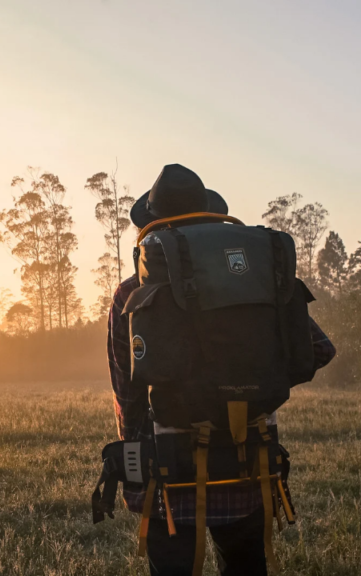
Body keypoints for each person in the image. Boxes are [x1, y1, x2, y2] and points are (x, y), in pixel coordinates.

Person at [108, 164, 336, 576]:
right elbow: (319, 350)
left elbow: (127, 393)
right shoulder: (260, 281)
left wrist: (135, 468)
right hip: (249, 461)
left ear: (155, 225)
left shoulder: (131, 293)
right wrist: (254, 382)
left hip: (169, 472)